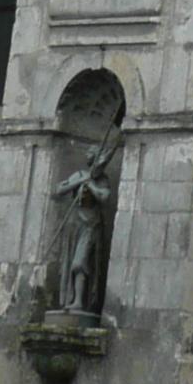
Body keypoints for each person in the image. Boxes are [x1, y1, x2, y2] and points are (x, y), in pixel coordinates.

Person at [50, 117, 123, 313]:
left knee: (79, 262)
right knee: (70, 263)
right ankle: (72, 300)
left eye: (91, 152)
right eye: (89, 152)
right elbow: (59, 190)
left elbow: (104, 197)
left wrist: (91, 185)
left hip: (91, 225)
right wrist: (79, 181)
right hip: (75, 224)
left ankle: (80, 302)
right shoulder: (80, 174)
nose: (88, 154)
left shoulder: (102, 180)